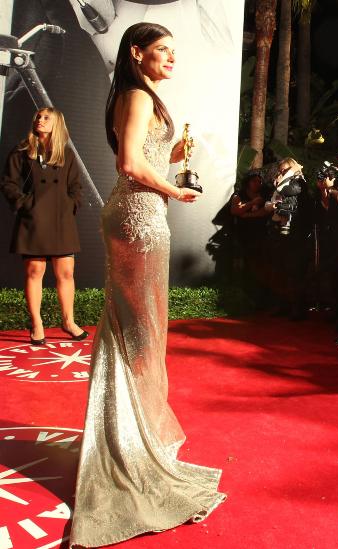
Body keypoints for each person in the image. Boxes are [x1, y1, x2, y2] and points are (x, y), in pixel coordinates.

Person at [70, 22, 225, 548]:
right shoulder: (136, 93)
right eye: (164, 51)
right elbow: (129, 162)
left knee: (136, 332)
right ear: (137, 53)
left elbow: (150, 159)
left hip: (140, 213)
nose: (172, 60)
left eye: (174, 52)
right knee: (140, 334)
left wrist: (176, 161)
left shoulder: (141, 95)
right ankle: (128, 451)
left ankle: (128, 439)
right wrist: (173, 191)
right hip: (138, 217)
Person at [1, 107, 86, 345]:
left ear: (57, 123)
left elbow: (76, 187)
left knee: (66, 273)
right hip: (33, 220)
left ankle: (68, 321)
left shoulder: (66, 154)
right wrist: (26, 204)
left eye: (46, 117)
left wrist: (70, 205)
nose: (40, 119)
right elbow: (8, 182)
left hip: (61, 221)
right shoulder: (22, 150)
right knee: (34, 272)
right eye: (38, 116)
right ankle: (37, 324)